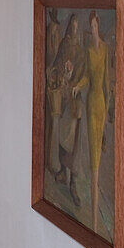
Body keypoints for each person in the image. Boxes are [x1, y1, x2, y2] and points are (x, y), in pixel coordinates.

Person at [74, 10, 110, 233]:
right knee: (93, 160)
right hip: (90, 104)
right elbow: (87, 75)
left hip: (101, 104)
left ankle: (96, 220)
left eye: (95, 26)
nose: (93, 29)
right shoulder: (88, 50)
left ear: (98, 25)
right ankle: (95, 222)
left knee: (98, 152)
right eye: (91, 26)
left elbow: (106, 81)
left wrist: (108, 107)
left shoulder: (105, 49)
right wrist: (78, 85)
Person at [48, 13, 86, 208]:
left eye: (76, 26)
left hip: (72, 100)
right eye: (72, 24)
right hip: (62, 96)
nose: (73, 28)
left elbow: (81, 75)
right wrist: (62, 72)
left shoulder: (80, 51)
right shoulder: (64, 44)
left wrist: (72, 78)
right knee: (62, 138)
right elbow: (56, 64)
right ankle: (63, 171)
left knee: (72, 139)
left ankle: (73, 183)